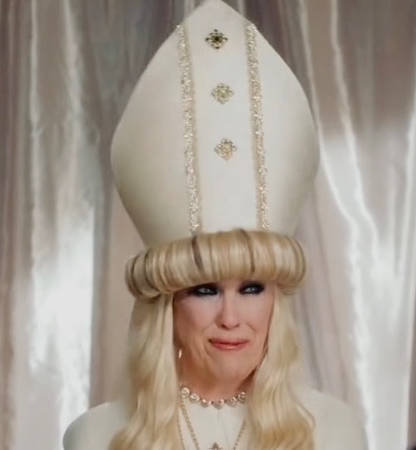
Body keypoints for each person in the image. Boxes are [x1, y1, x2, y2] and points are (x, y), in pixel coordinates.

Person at [63, 1, 368, 449]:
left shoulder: (335, 431)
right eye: (205, 290)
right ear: (168, 302)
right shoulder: (98, 436)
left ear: (275, 299)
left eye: (252, 288)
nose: (230, 318)